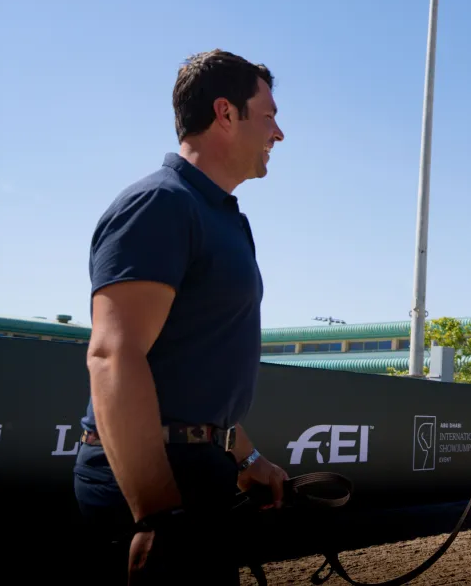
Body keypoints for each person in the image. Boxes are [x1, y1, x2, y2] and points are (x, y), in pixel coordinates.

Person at [73, 49, 288, 585]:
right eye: (268, 116)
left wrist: (245, 459)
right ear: (225, 113)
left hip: (202, 478)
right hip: (151, 489)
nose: (278, 133)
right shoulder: (160, 204)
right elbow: (112, 356)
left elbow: (194, 376)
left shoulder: (224, 218)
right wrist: (155, 512)